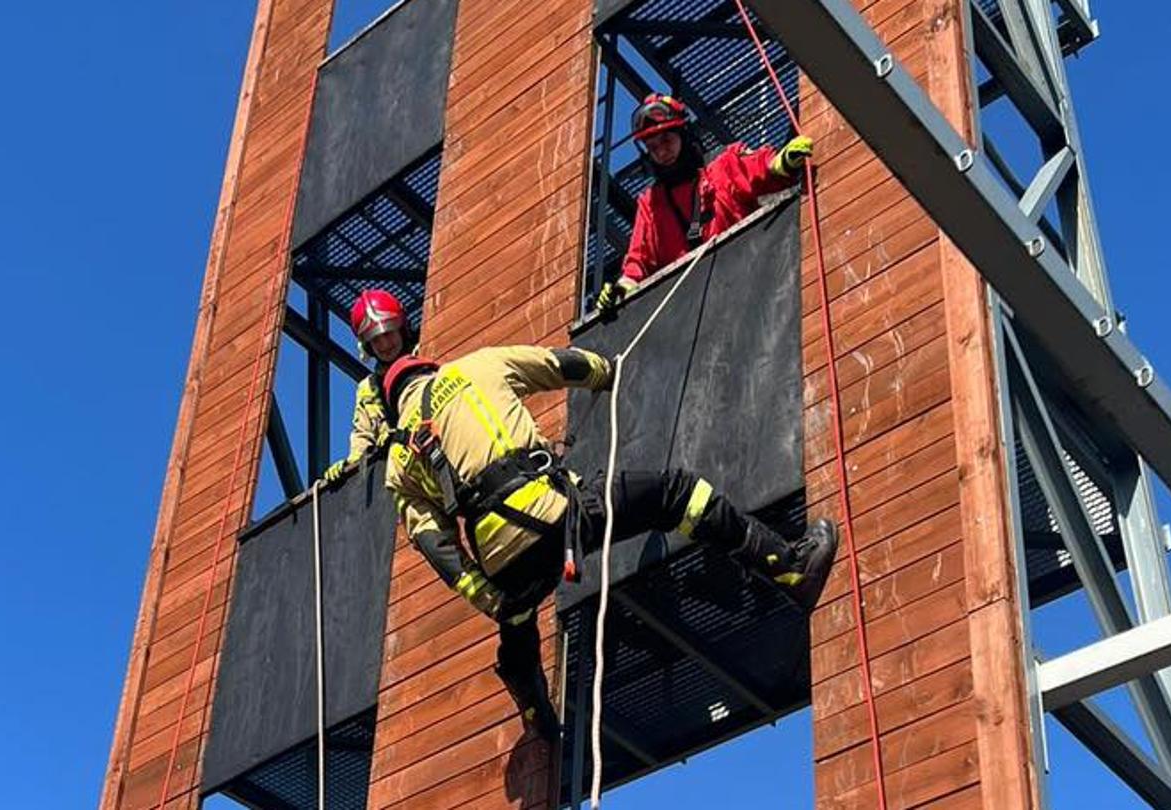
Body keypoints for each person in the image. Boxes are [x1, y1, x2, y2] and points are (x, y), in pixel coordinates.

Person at [379, 345, 838, 740]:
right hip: (553, 512)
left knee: (517, 619)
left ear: (394, 403)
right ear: (428, 368)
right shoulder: (474, 367)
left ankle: (536, 713)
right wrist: (605, 370)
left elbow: (435, 544)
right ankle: (789, 566)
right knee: (677, 495)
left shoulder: (400, 459)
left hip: (500, 559)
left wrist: (487, 596)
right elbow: (561, 365)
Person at [595, 94, 815, 311]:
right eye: (653, 147)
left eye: (666, 141)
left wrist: (782, 163)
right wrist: (621, 290)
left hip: (752, 282)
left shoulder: (723, 166)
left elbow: (760, 168)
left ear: (683, 134)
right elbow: (638, 262)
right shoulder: (651, 204)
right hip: (692, 312)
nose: (662, 152)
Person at [319, 289, 415, 485]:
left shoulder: (424, 358)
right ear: (367, 347)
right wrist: (349, 466)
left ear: (402, 330)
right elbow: (362, 436)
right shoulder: (368, 388)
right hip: (397, 474)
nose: (385, 344)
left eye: (388, 334)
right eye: (376, 340)